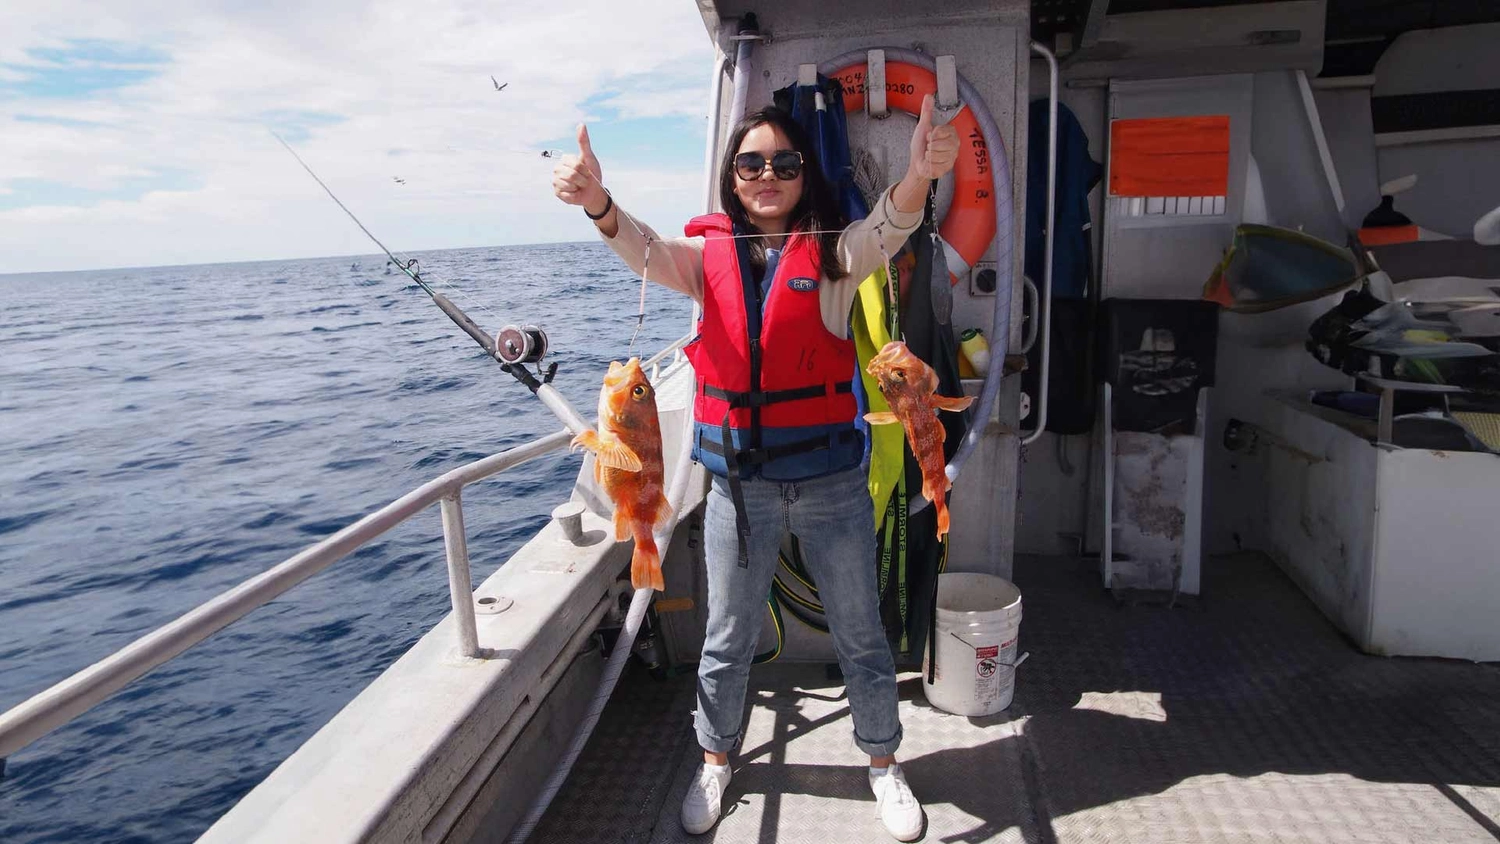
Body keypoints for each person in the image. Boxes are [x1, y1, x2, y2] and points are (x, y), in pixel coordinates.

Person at [552, 96, 958, 841]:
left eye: (783, 162)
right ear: (731, 178)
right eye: (750, 163)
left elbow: (889, 226)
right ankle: (715, 760)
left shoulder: (835, 256)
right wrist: (598, 203)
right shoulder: (704, 260)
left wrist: (920, 177)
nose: (767, 174)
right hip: (740, 489)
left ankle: (883, 763)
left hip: (832, 484)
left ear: (804, 174)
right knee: (727, 636)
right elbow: (643, 250)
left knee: (861, 633)